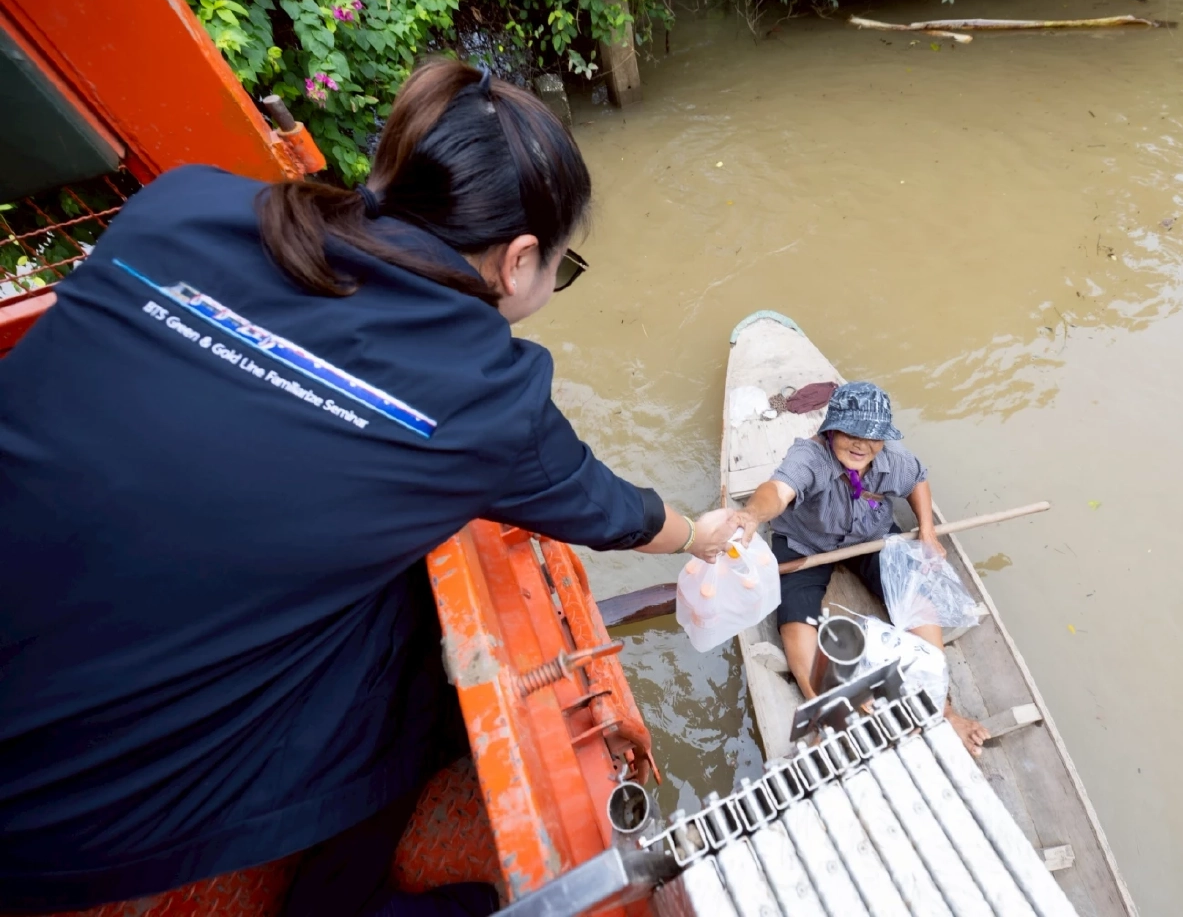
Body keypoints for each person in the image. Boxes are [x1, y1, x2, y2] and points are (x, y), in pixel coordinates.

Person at [0, 59, 738, 916]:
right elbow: (608, 508)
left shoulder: (182, 204)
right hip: (48, 817)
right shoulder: (485, 394)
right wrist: (704, 534)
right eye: (559, 268)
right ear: (519, 261)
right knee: (410, 665)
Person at [732, 382, 990, 757]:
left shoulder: (892, 458)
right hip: (806, 544)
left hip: (871, 536)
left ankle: (941, 708)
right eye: (851, 433)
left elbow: (917, 479)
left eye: (873, 437)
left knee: (915, 593)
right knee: (794, 618)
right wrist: (752, 514)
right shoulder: (809, 457)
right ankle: (828, 713)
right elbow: (778, 490)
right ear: (832, 429)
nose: (861, 445)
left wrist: (927, 531)